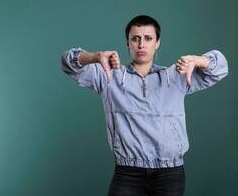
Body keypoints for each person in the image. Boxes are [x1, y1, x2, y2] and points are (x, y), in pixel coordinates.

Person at [60, 15, 228, 196]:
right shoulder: (110, 76)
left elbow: (220, 68)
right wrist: (94, 56)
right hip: (127, 173)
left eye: (148, 38)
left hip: (170, 174)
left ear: (157, 43)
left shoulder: (176, 75)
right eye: (135, 38)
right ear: (128, 43)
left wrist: (198, 60)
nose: (141, 45)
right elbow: (68, 64)